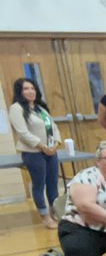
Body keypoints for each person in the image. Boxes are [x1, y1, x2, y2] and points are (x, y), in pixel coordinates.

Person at [9, 76, 62, 229]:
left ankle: (55, 212)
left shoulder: (40, 108)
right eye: (26, 89)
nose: (30, 91)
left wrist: (56, 144)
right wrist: (41, 146)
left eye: (32, 88)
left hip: (51, 152)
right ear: (20, 91)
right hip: (33, 153)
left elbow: (54, 127)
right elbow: (22, 132)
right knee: (39, 184)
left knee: (53, 184)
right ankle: (45, 216)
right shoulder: (16, 108)